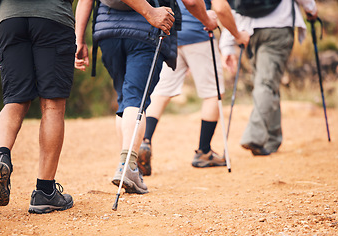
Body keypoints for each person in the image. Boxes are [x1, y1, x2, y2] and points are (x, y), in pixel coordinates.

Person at [75, 0, 219, 194]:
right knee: (136, 99)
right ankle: (128, 166)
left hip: (107, 29)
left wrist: (79, 39)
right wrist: (207, 19)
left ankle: (127, 164)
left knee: (124, 99)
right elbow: (192, 1)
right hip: (146, 30)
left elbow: (85, 1)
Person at [137, 0, 250, 176]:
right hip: (200, 34)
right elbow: (220, 7)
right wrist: (237, 35)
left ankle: (144, 141)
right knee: (213, 93)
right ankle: (204, 151)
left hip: (170, 34)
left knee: (161, 93)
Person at [0, 0, 76, 214]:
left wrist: (1, 35)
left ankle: (2, 154)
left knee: (14, 100)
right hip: (53, 18)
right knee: (52, 105)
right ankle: (44, 191)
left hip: (9, 20)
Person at [219, 0, 318, 156]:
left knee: (267, 81)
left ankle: (272, 138)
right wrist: (311, 9)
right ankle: (255, 137)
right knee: (266, 83)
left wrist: (227, 43)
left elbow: (230, 7)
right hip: (278, 26)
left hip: (248, 30)